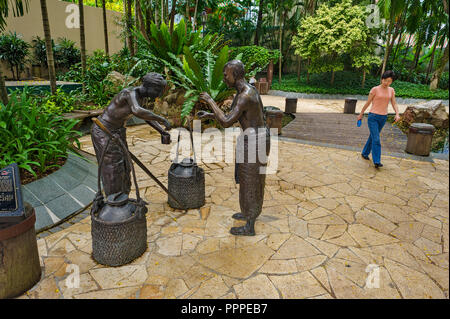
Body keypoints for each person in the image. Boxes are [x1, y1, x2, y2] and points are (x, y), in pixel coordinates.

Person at [197, 60, 270, 236]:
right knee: (248, 179)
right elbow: (236, 116)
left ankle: (250, 224)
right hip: (254, 138)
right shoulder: (246, 91)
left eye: (225, 75)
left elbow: (226, 122)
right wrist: (210, 114)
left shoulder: (245, 95)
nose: (223, 78)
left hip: (255, 141)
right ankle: (248, 213)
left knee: (251, 181)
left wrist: (209, 101)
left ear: (235, 75)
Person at [91, 72, 172, 198]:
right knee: (113, 167)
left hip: (117, 131)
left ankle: (124, 199)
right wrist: (162, 119)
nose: (159, 94)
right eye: (158, 90)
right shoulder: (129, 93)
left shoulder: (142, 98)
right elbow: (137, 111)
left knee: (125, 165)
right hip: (103, 131)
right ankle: (114, 203)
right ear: (149, 87)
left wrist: (161, 131)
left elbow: (146, 117)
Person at [357, 70, 400, 168]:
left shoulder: (391, 90)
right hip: (373, 117)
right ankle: (377, 161)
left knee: (373, 136)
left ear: (392, 81)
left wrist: (397, 114)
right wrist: (361, 114)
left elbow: (394, 103)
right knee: (376, 139)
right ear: (382, 79)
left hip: (383, 117)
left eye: (389, 81)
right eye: (385, 80)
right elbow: (368, 103)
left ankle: (364, 153)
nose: (386, 83)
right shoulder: (374, 89)